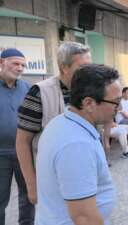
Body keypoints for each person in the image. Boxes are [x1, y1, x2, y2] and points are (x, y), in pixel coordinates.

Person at [35, 64, 119, 225]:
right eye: (115, 102)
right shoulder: (76, 144)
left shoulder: (62, 122)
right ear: (89, 103)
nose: (119, 107)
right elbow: (84, 217)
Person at [16, 41, 91, 205]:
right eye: (82, 67)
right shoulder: (39, 92)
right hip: (51, 178)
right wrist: (31, 186)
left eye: (89, 67)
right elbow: (22, 142)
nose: (87, 73)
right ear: (64, 67)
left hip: (83, 174)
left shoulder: (90, 91)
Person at [0, 49, 35, 225]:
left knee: (29, 195)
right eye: (15, 63)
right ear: (1, 63)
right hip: (0, 154)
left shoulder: (28, 89)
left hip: (25, 152)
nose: (20, 68)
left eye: (23, 65)